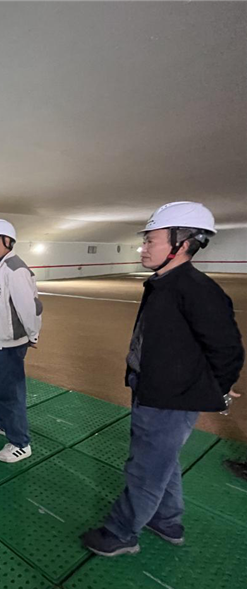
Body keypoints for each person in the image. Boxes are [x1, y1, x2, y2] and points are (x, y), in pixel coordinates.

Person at [82, 202, 244, 557]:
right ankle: (167, 521)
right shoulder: (165, 283)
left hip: (171, 397)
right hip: (154, 389)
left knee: (145, 470)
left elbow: (228, 349)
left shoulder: (197, 289)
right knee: (161, 462)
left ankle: (121, 533)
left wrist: (216, 387)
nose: (143, 248)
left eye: (150, 241)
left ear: (181, 243)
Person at [0, 219, 43, 463]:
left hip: (8, 345)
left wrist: (33, 334)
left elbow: (29, 308)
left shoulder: (15, 269)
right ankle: (1, 423)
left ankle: (20, 443)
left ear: (7, 241)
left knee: (11, 393)